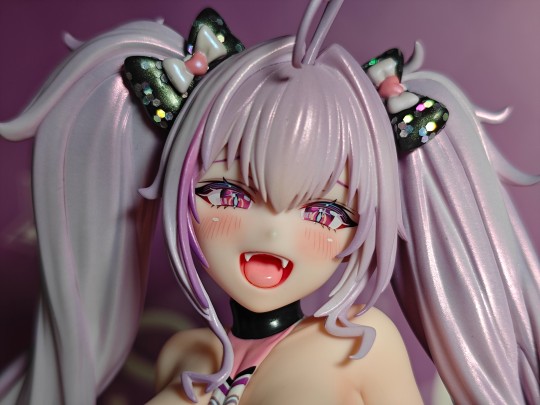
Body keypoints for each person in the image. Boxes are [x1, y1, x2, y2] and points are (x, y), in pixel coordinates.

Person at [0, 0, 538, 404]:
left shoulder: (362, 348)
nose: (273, 233)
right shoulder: (182, 355)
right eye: (229, 194)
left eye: (325, 212)